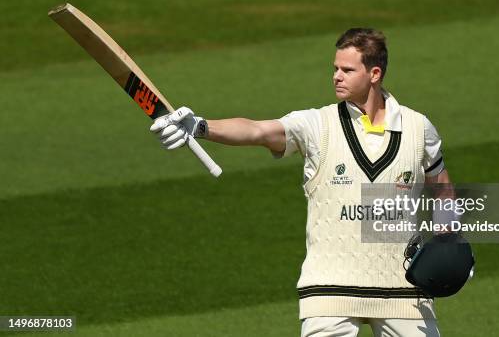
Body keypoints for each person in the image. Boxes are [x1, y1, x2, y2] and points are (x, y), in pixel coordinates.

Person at [150, 28, 454, 337]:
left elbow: (442, 189)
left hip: (403, 291)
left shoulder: (418, 128)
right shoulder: (316, 125)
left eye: (347, 70)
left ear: (374, 73)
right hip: (329, 290)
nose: (336, 76)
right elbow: (257, 131)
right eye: (335, 68)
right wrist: (201, 127)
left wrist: (449, 241)